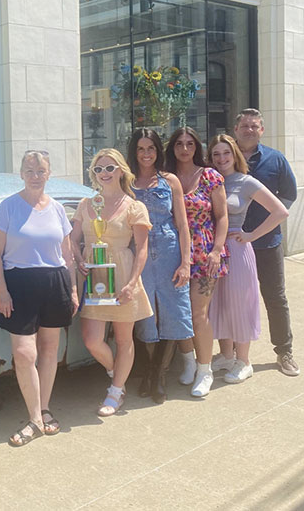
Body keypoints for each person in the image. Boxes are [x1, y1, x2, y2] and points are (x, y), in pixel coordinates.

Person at [0, 149, 78, 446]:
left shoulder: (57, 209)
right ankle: (35, 419)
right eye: (30, 171)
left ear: (49, 174)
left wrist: (74, 289)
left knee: (50, 350)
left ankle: (44, 408)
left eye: (40, 171)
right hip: (19, 284)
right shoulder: (8, 208)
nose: (35, 176)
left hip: (55, 282)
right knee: (25, 353)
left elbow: (67, 256)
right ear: (21, 174)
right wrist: (3, 291)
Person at [71, 148, 153, 416]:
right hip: (93, 275)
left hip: (122, 274)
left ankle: (116, 391)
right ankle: (115, 372)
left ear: (121, 170)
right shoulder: (86, 204)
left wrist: (132, 283)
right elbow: (72, 239)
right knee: (92, 339)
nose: (104, 173)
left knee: (123, 338)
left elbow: (142, 247)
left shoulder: (134, 206)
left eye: (109, 168)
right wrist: (78, 259)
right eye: (98, 169)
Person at [207, 134, 289, 383]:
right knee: (219, 303)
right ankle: (226, 355)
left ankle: (244, 361)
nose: (221, 158)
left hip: (237, 249)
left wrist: (251, 234)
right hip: (213, 251)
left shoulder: (246, 182)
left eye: (226, 153)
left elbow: (280, 211)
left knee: (239, 305)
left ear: (235, 155)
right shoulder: (209, 181)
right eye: (216, 154)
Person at [126, 129, 194, 404]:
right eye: (141, 149)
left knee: (173, 311)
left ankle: (159, 375)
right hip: (138, 252)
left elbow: (182, 224)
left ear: (158, 150)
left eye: (150, 148)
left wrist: (186, 262)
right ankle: (150, 371)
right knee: (146, 314)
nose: (146, 154)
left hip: (168, 250)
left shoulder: (170, 181)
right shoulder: (126, 182)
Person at [233, 108, 300, 376]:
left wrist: (264, 226)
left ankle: (284, 351)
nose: (249, 130)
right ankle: (231, 354)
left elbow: (288, 196)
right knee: (233, 299)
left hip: (267, 244)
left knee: (275, 297)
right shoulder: (223, 157)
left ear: (262, 130)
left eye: (254, 126)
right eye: (244, 125)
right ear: (235, 129)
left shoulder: (276, 159)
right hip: (233, 245)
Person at [165, 127, 228, 397]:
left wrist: (217, 249)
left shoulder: (210, 176)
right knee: (179, 312)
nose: (185, 148)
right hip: (173, 252)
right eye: (179, 143)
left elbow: (222, 216)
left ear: (197, 146)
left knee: (197, 313)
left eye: (190, 143)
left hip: (203, 252)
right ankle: (188, 362)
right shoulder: (165, 178)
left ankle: (205, 369)